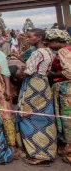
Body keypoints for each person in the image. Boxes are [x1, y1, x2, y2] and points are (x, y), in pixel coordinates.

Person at [17, 28, 57, 166]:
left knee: (28, 116)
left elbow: (28, 72)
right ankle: (47, 151)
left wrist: (21, 72)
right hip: (43, 84)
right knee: (44, 116)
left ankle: (37, 153)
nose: (27, 39)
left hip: (33, 85)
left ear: (39, 37)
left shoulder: (37, 53)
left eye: (29, 37)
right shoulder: (49, 51)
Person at [46, 29, 71, 164]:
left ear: (57, 42)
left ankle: (69, 150)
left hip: (66, 90)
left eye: (50, 42)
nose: (48, 45)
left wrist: (52, 75)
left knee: (67, 121)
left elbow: (69, 72)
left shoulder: (63, 51)